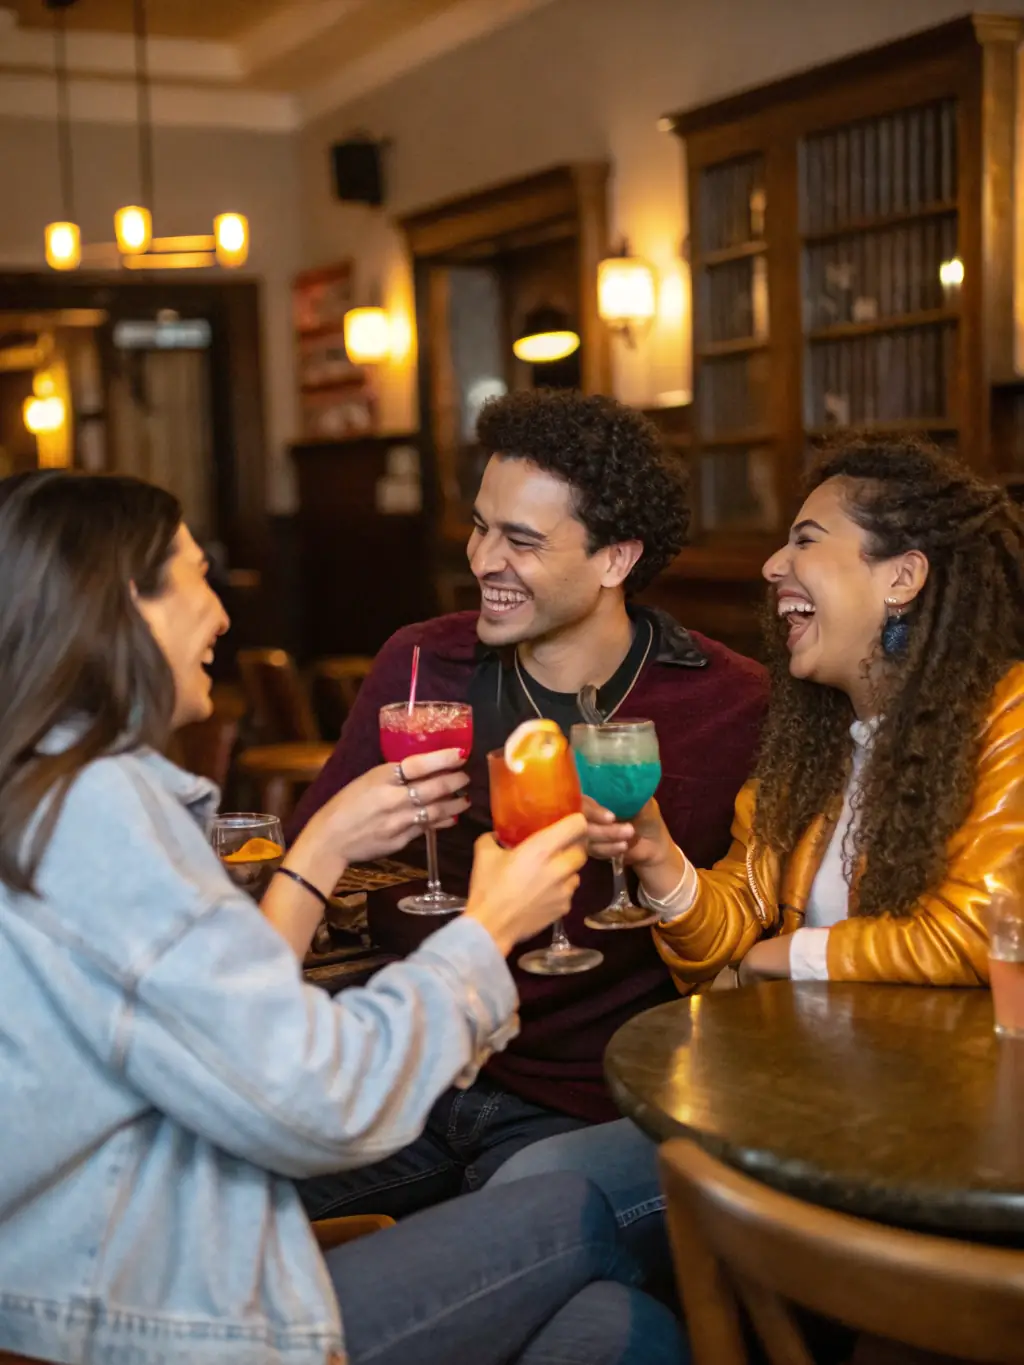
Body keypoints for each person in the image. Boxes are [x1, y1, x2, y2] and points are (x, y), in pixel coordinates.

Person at [0, 470, 687, 1365]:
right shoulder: (99, 819)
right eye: (197, 575)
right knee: (581, 1233)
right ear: (124, 603)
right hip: (177, 1323)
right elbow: (319, 1097)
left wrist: (321, 846)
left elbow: (214, 1019)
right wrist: (489, 928)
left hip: (107, 1284)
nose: (220, 613)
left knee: (610, 1322)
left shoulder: (42, 796)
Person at [491, 435, 1024, 1263]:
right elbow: (721, 942)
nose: (775, 565)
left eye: (806, 541)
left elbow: (974, 931)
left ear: (902, 577)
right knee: (527, 1186)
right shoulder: (811, 737)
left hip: (935, 1133)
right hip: (789, 1100)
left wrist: (784, 958)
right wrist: (659, 856)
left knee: (539, 1204)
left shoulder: (1007, 719)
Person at [287, 388, 767, 1224]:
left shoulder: (728, 704)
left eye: (521, 540)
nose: (482, 560)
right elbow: (309, 857)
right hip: (418, 1074)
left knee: (503, 1239)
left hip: (587, 1104)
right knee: (213, 1188)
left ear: (616, 558)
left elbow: (751, 922)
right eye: (480, 526)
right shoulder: (420, 668)